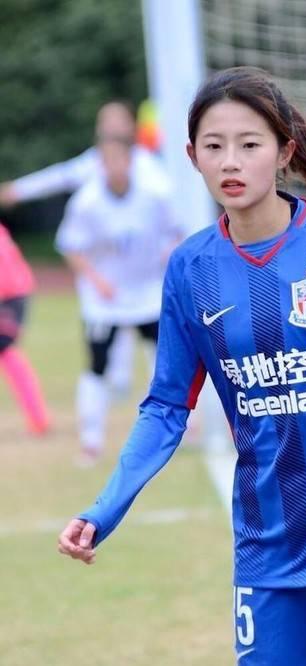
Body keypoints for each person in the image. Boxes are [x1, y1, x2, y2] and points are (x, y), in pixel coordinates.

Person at [58, 67, 306, 665]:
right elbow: (166, 407)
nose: (231, 162)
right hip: (268, 547)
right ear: (192, 157)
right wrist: (104, 508)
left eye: (249, 144)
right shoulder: (190, 269)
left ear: (283, 151)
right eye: (214, 146)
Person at [0, 100, 173, 399]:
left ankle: (163, 404)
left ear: (131, 125)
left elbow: (172, 218)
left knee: (161, 350)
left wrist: (165, 252)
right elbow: (59, 176)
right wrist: (18, 190)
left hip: (148, 278)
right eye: (105, 121)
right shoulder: (93, 167)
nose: (110, 127)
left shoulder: (151, 171)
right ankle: (117, 383)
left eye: (117, 120)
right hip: (106, 278)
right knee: (105, 345)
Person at [55, 136, 181, 466]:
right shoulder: (87, 202)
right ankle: (91, 441)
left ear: (130, 163)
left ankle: (175, 431)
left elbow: (176, 232)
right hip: (105, 300)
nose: (114, 168)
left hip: (147, 294)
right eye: (107, 162)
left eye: (120, 161)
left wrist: (166, 256)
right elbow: (70, 246)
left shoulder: (154, 196)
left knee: (166, 363)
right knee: (97, 367)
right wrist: (97, 280)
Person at [0, 222, 51, 435]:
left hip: (9, 299)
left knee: (7, 351)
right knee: (9, 355)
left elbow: (7, 275)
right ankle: (38, 418)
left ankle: (39, 418)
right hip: (12, 296)